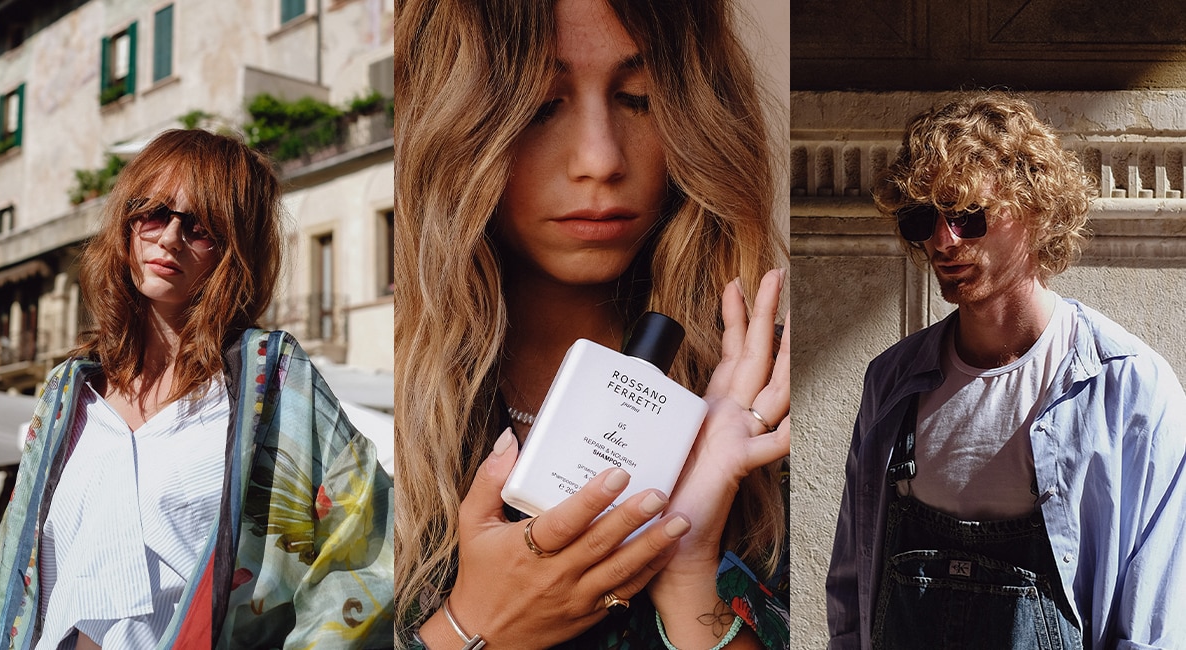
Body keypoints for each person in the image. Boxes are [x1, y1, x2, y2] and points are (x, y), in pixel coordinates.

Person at [395, 0, 791, 648]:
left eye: (639, 98)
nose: (600, 159)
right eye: (541, 105)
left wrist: (686, 566)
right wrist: (474, 627)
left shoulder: (763, 396)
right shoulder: (389, 416)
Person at [0, 129, 395, 649]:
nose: (169, 239)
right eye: (154, 213)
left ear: (236, 248)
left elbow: (365, 555)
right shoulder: (70, 393)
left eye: (201, 227)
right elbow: (20, 568)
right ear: (127, 223)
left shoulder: (272, 387)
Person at [828, 93, 1186, 649]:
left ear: (1036, 208)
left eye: (968, 216)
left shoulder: (1128, 387)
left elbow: (1154, 623)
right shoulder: (892, 381)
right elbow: (853, 591)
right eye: (923, 218)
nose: (943, 240)